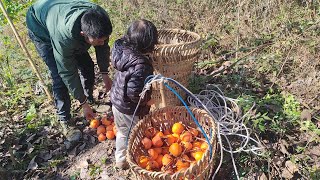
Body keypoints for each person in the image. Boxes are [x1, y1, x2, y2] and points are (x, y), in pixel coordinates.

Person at [26, 0, 113, 142]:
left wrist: (105, 74)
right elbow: (67, 71)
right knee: (59, 76)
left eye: (104, 39)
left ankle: (90, 98)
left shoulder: (99, 17)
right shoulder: (63, 38)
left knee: (87, 65)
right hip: (41, 28)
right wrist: (82, 104)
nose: (102, 43)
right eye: (98, 41)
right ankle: (65, 120)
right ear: (83, 34)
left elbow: (103, 47)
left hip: (61, 15)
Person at [110, 19, 158, 170]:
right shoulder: (141, 65)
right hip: (130, 108)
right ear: (148, 45)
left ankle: (120, 159)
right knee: (135, 135)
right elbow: (135, 93)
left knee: (122, 133)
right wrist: (147, 100)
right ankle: (138, 161)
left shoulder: (122, 50)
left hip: (117, 102)